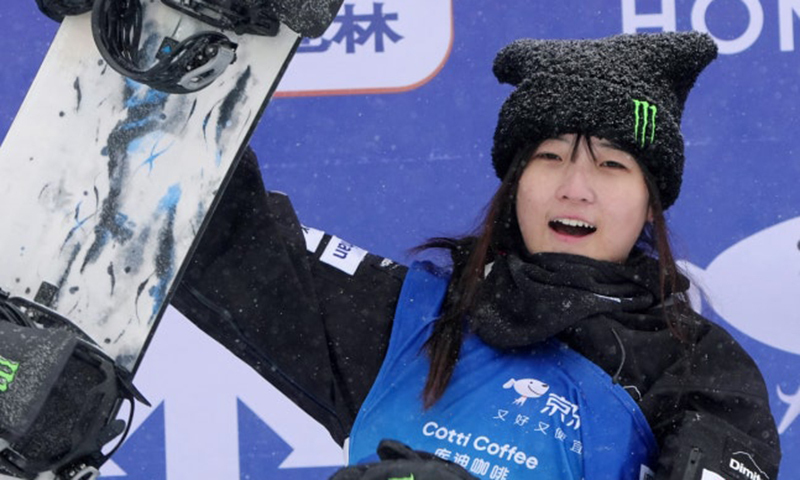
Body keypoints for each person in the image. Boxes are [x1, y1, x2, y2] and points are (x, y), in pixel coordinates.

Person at [171, 31, 781, 479]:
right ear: (516, 184)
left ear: (651, 203)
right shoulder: (411, 319)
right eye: (550, 156)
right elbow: (216, 233)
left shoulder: (700, 371)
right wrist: (185, 61)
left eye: (612, 165)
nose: (575, 187)